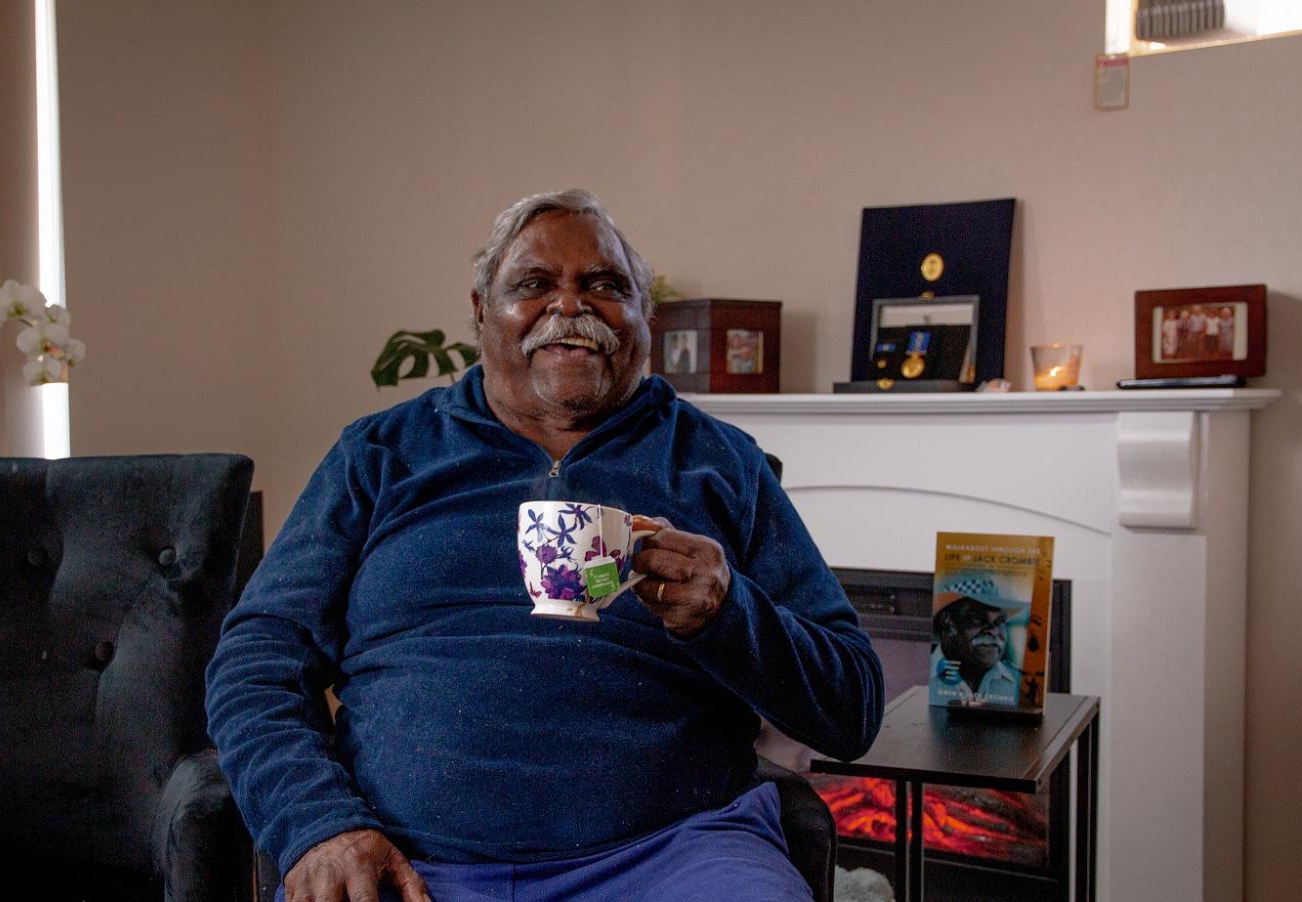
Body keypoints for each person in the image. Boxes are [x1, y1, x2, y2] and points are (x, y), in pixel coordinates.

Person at [205, 189, 883, 902]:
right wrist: (317, 825)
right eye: (534, 285)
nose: (571, 306)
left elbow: (853, 708)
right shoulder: (380, 455)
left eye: (605, 286)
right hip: (408, 861)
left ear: (643, 317)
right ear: (479, 311)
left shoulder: (721, 463)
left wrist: (731, 613)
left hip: (675, 853)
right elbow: (256, 660)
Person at [929, 592, 1022, 705]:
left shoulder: (1021, 685)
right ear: (947, 622)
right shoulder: (922, 680)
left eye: (1000, 621)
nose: (994, 631)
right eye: (978, 619)